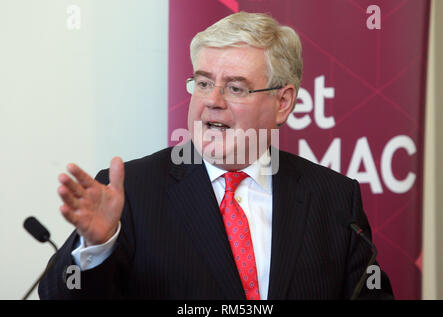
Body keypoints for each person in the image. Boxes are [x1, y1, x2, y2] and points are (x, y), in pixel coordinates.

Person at [38, 12, 393, 300]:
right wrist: (98, 247)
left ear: (283, 102)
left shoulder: (334, 198)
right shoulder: (130, 193)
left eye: (235, 87)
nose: (213, 101)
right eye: (204, 83)